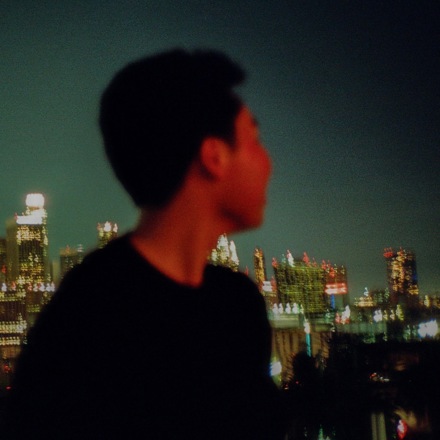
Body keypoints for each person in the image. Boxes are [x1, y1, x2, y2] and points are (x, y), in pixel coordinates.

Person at [5, 49, 286, 439]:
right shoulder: (89, 320)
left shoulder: (237, 304)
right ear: (213, 157)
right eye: (254, 139)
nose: (268, 162)